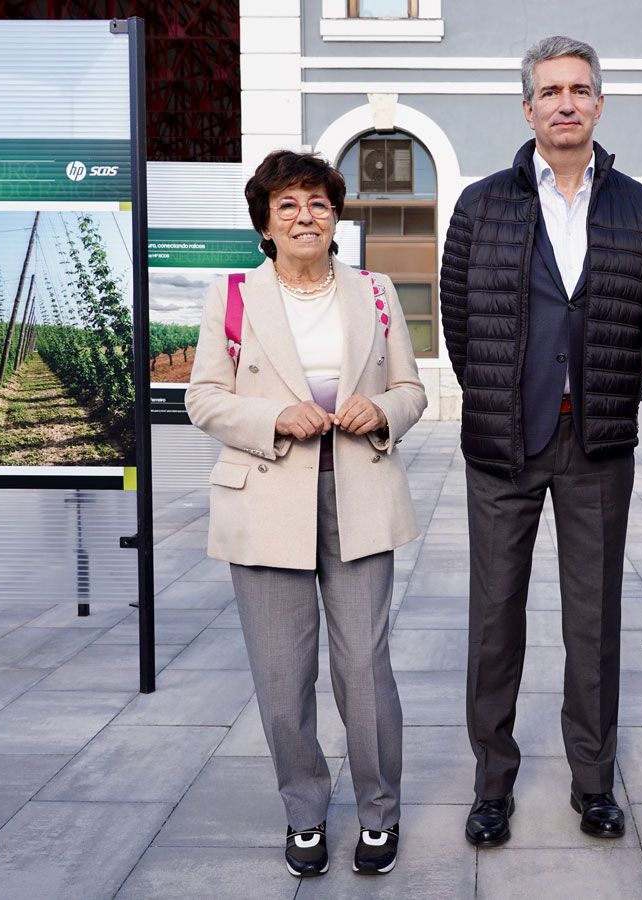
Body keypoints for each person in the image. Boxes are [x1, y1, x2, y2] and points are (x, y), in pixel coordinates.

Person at [439, 35, 642, 847]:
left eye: (580, 89)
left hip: (596, 444)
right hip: (505, 445)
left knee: (593, 621)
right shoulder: (481, 204)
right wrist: (504, 400)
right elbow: (459, 323)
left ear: (600, 104)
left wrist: (597, 393)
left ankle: (593, 785)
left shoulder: (639, 207)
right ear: (528, 107)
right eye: (550, 90)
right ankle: (491, 784)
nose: (566, 102)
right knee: (495, 618)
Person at [185, 149, 427, 878]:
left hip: (358, 495)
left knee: (364, 667)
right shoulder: (232, 296)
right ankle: (305, 812)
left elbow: (414, 391)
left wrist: (379, 407)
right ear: (265, 219)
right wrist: (272, 417)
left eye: (318, 203)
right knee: (283, 675)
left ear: (336, 216)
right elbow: (202, 397)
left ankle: (379, 813)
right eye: (287, 203)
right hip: (265, 499)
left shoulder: (376, 292)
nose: (304, 215)